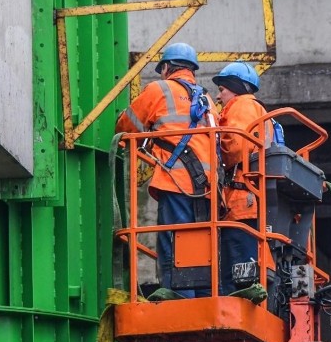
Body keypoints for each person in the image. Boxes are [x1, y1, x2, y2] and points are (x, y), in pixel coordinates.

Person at [116, 42, 218, 298]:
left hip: (177, 180)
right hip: (208, 187)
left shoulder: (159, 89)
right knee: (202, 244)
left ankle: (179, 298)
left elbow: (127, 125)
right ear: (191, 70)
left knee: (173, 239)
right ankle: (204, 298)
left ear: (167, 68)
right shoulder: (208, 101)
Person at [213, 61, 278, 295]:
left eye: (222, 89)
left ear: (236, 87)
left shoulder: (241, 105)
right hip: (250, 196)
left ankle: (238, 298)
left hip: (242, 199)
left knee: (237, 257)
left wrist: (212, 141)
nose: (219, 96)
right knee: (245, 254)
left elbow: (236, 146)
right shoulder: (257, 109)